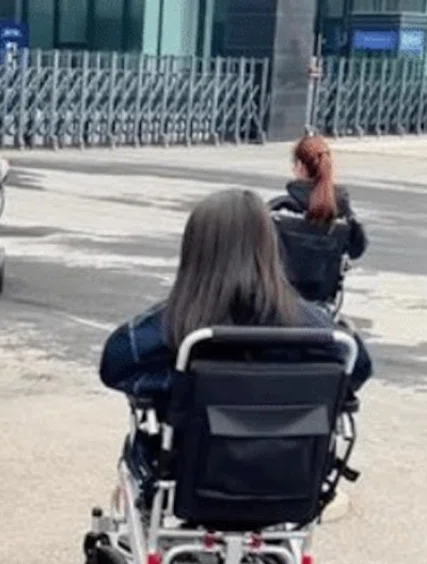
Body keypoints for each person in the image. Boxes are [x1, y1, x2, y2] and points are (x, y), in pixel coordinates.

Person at [99, 189, 372, 486]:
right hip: (288, 473)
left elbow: (114, 364)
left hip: (186, 470)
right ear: (270, 248)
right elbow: (357, 368)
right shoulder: (311, 325)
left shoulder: (175, 321)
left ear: (195, 251)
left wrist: (175, 384)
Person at [267, 134, 367, 303]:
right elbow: (357, 250)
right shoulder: (343, 213)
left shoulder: (279, 209)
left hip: (281, 300)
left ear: (299, 167)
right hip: (323, 300)